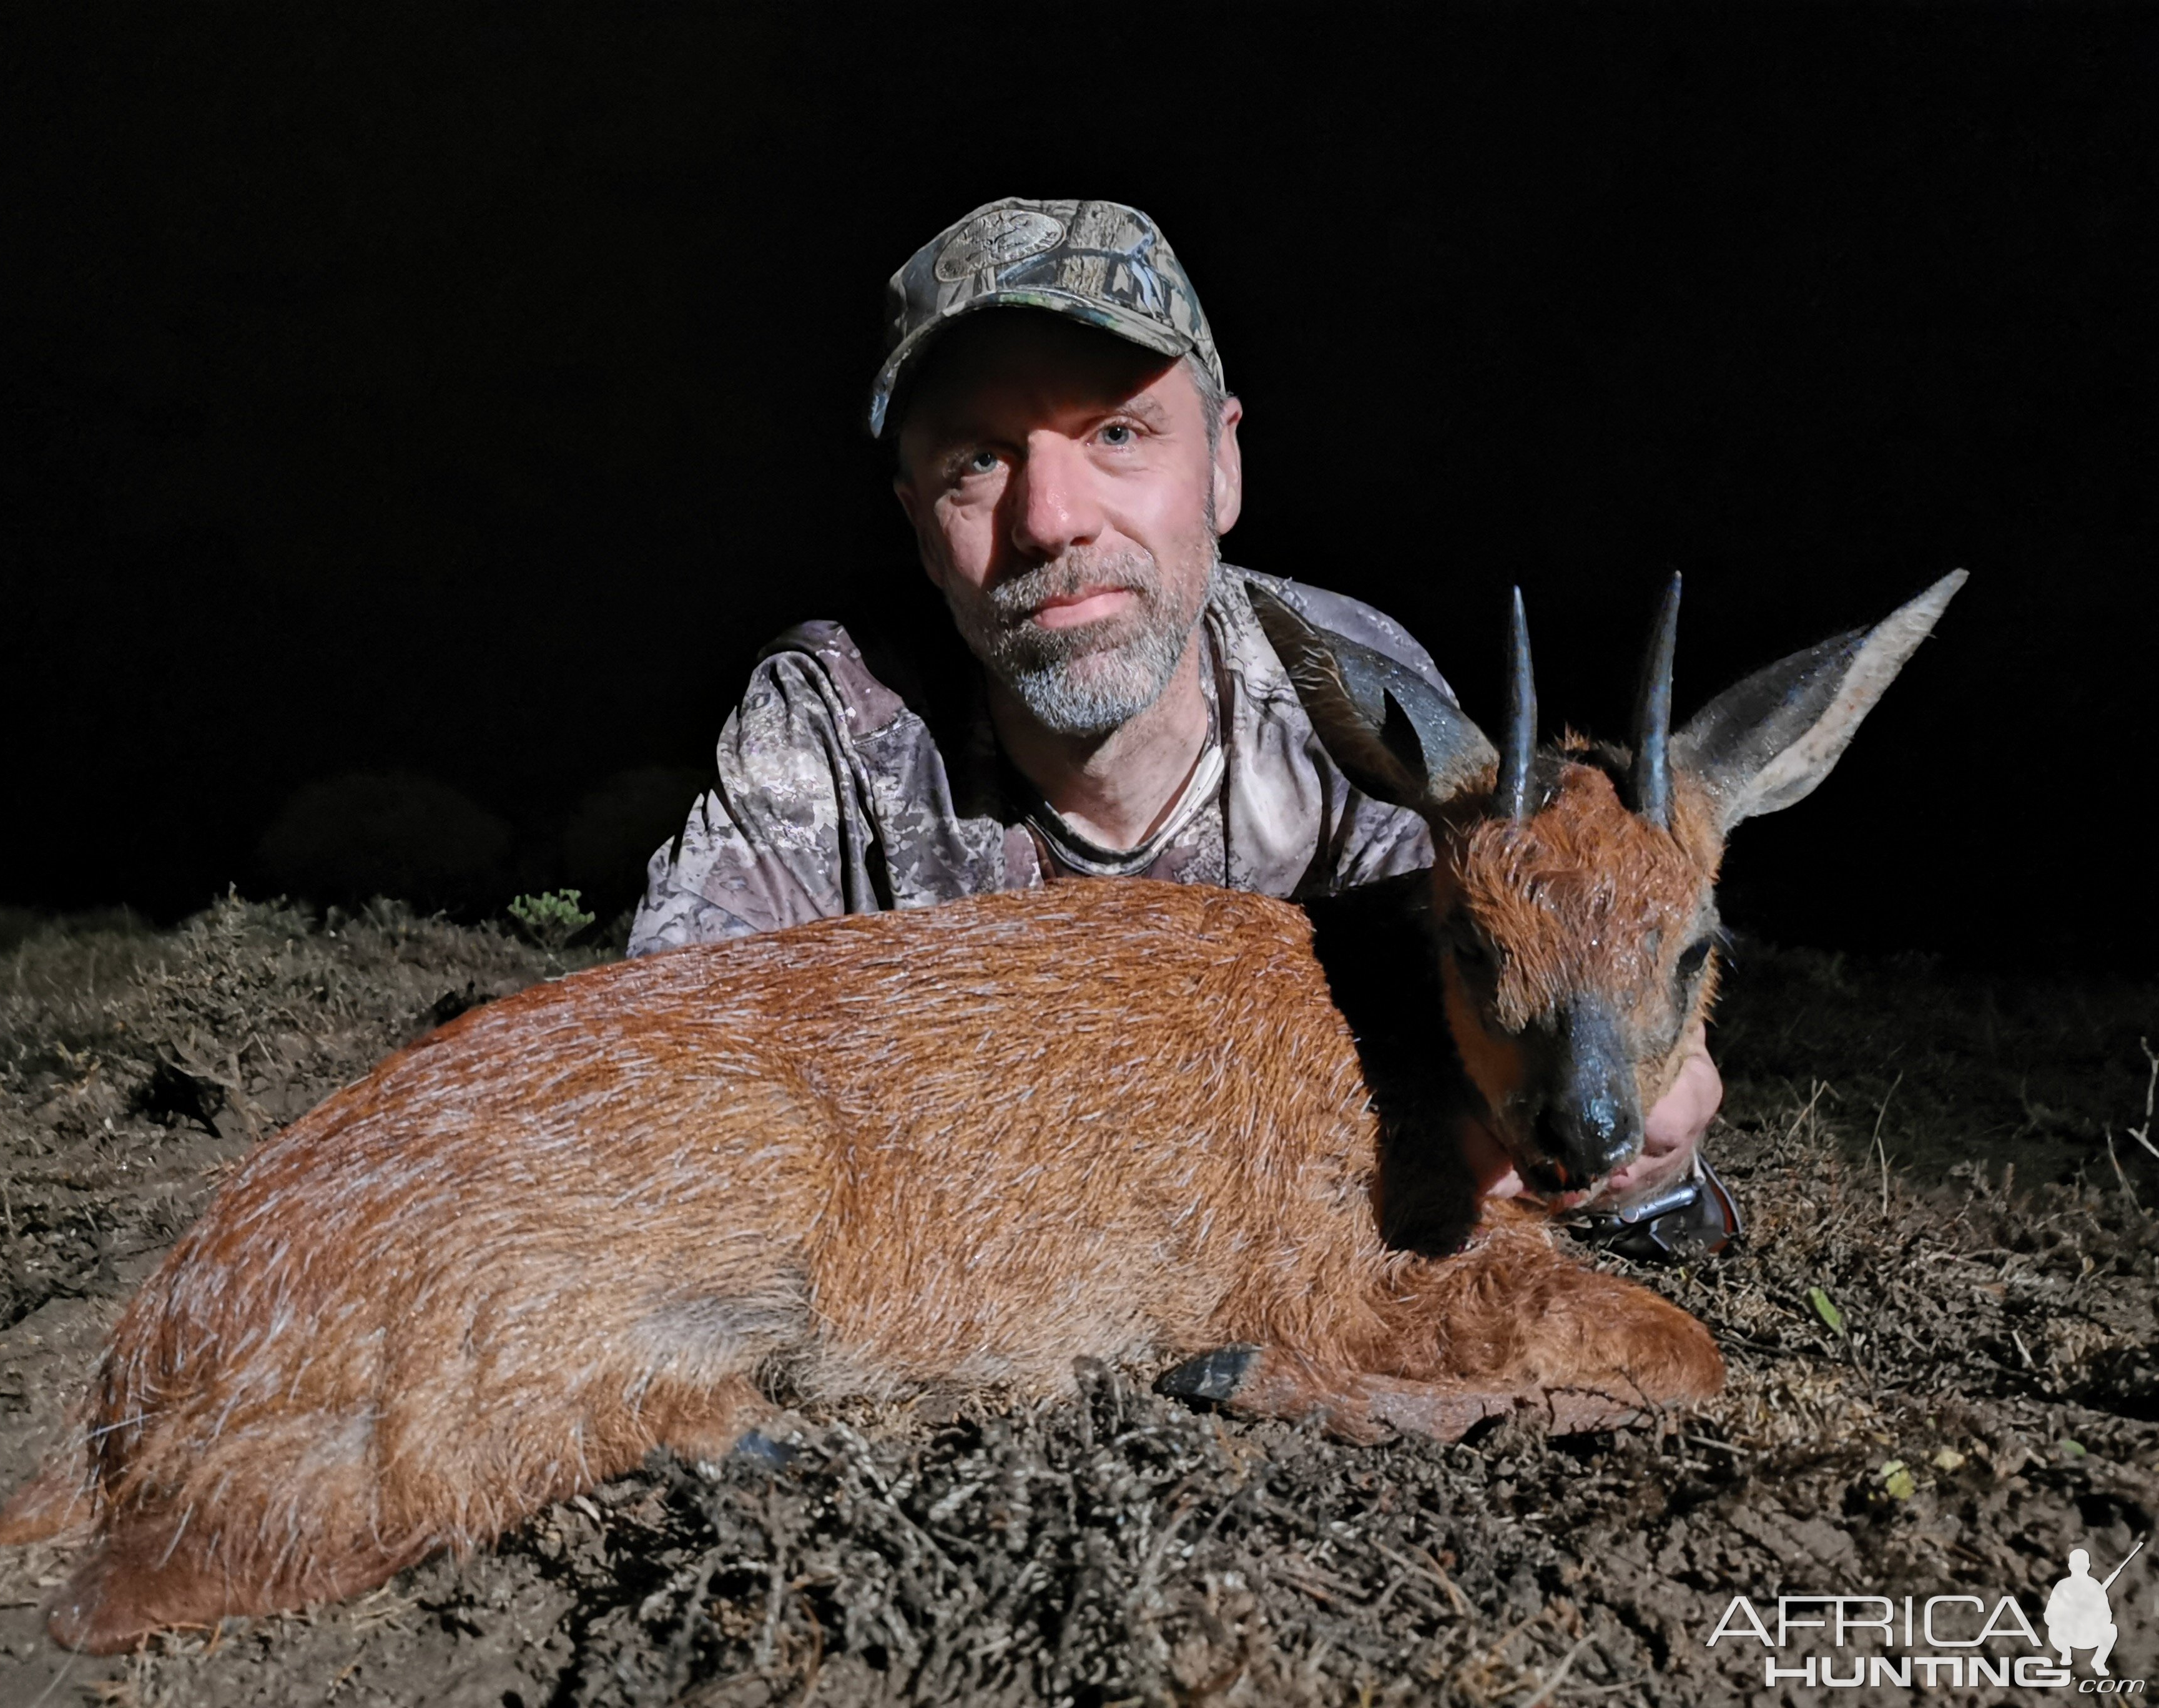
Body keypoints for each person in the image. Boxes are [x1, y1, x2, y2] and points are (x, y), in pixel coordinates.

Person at [628, 195, 1733, 1255]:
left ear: (1224, 466)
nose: (1051, 520)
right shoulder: (832, 719)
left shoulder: (1357, 703)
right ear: (921, 527)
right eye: (979, 459)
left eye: (1117, 431)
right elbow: (656, 1069)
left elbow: (1475, 1086)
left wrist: (1631, 1126)